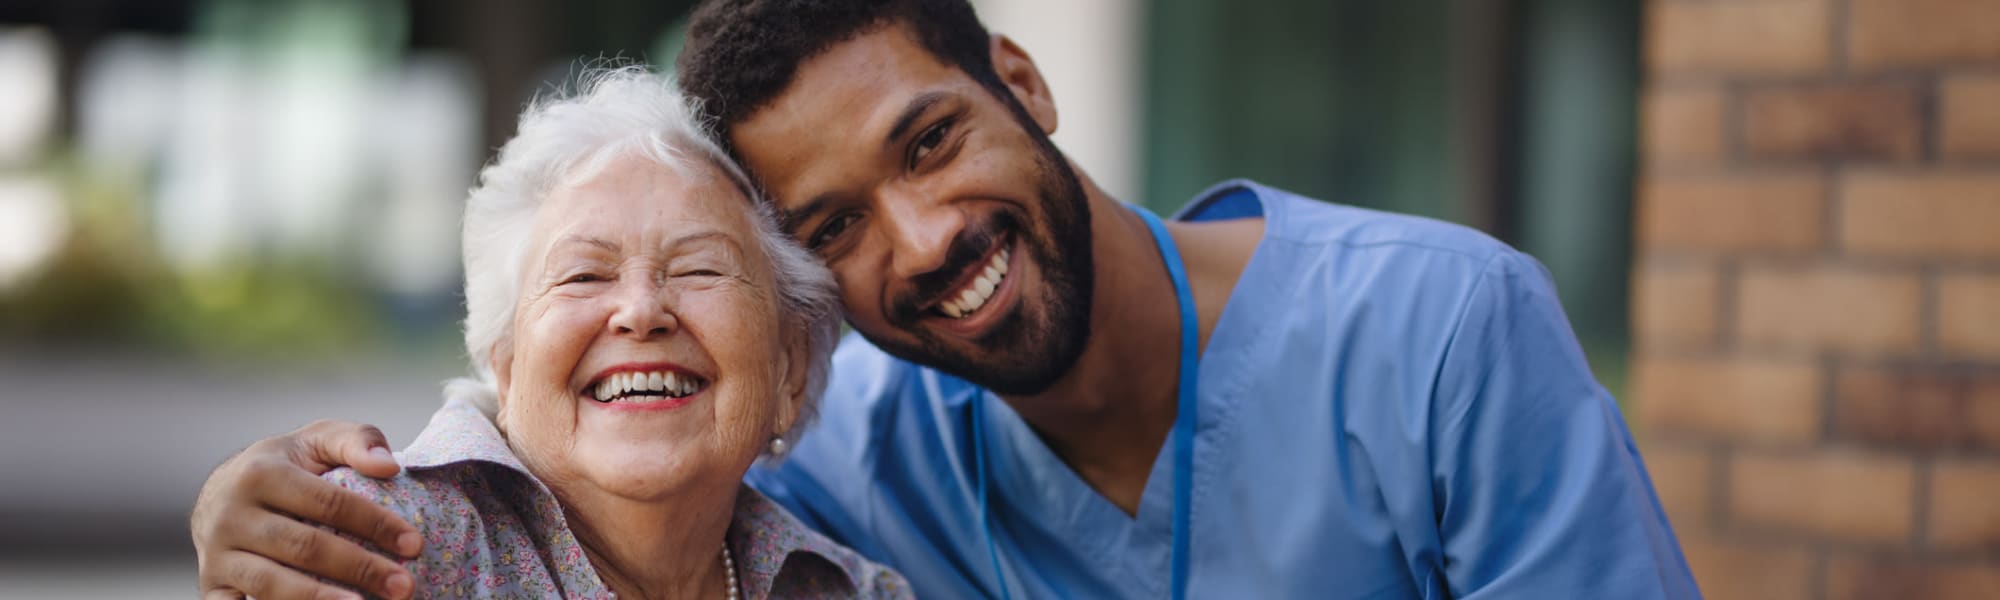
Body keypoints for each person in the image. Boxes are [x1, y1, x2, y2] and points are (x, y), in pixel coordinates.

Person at [191, 1, 1701, 598]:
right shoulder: (845, 445)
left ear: (1024, 87)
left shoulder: (1441, 336)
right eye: (834, 225)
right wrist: (269, 514)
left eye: (934, 142)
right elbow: (601, 456)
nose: (919, 242)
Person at [220, 66, 907, 599]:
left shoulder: (848, 590)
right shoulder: (378, 545)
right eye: (583, 276)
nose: (641, 311)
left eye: (700, 268)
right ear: (507, 362)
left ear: (789, 368)